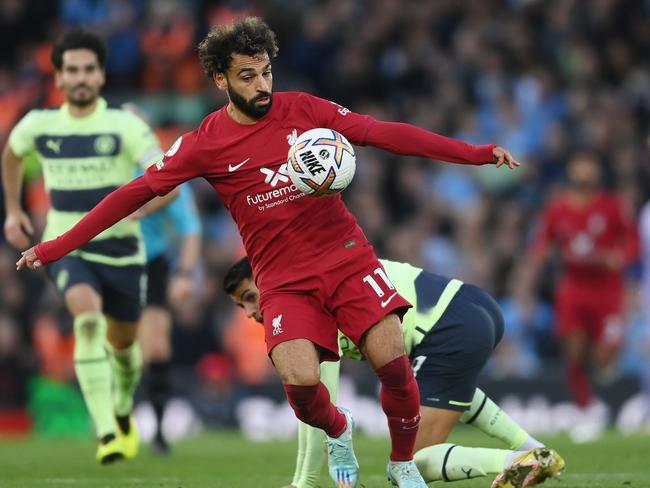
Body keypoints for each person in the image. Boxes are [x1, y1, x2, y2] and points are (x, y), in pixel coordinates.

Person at [17, 18, 518, 487]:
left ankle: (402, 464)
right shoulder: (205, 143)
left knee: (393, 364)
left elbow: (381, 133)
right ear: (220, 80)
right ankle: (338, 428)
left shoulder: (304, 110)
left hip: (347, 258)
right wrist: (58, 245)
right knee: (301, 386)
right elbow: (134, 193)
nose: (262, 85)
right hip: (281, 278)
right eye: (248, 76)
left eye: (266, 72)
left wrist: (474, 152)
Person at [225, 257, 565, 488]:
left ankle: (515, 460)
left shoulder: (309, 305)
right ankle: (534, 449)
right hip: (475, 306)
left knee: (406, 464)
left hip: (446, 328)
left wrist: (305, 483)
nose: (251, 312)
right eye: (242, 305)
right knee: (443, 389)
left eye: (251, 297)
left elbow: (317, 408)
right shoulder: (322, 275)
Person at [1, 29, 177, 463]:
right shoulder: (39, 124)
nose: (80, 77)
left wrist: (143, 211)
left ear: (100, 75)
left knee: (123, 347)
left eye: (88, 69)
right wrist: (13, 210)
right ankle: (105, 434)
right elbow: (11, 153)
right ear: (58, 78)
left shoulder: (125, 125)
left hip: (122, 251)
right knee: (86, 318)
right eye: (72, 70)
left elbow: (168, 182)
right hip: (66, 247)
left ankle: (120, 409)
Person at [523, 153, 637, 442]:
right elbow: (542, 243)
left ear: (597, 172)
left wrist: (619, 257)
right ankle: (588, 407)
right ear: (571, 171)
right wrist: (537, 262)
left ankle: (606, 401)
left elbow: (633, 242)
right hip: (573, 287)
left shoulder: (611, 206)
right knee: (573, 352)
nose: (584, 170)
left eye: (590, 164)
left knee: (604, 354)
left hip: (606, 288)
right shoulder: (558, 207)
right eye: (579, 164)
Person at [136, 176, 202, 454]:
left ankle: (160, 433)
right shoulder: (103, 168)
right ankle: (112, 422)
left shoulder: (158, 175)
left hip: (151, 263)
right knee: (118, 345)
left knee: (156, 348)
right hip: (107, 262)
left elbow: (190, 228)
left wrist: (184, 274)